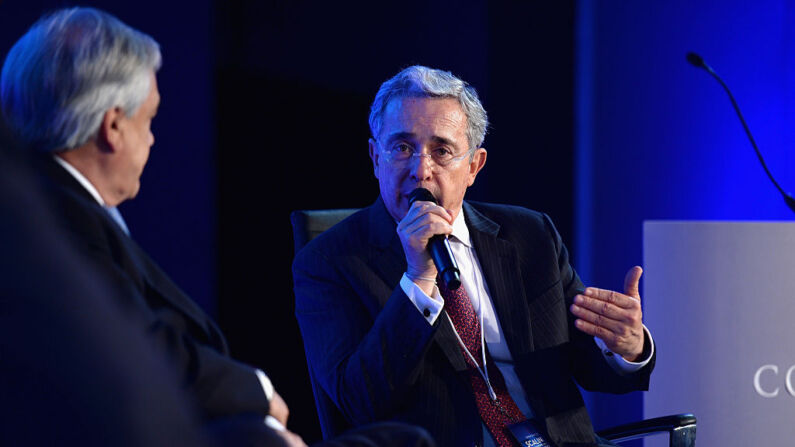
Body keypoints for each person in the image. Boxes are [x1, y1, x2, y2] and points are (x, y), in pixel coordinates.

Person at [1, 8, 434, 447]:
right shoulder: (54, 225)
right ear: (113, 126)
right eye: (148, 120)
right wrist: (258, 399)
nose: (152, 139)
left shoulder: (52, 211)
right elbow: (136, 353)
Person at [293, 66, 655, 447]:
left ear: (473, 166)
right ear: (375, 158)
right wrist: (418, 279)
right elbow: (359, 402)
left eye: (442, 151)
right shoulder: (329, 261)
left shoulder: (531, 235)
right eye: (402, 148)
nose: (420, 170)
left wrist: (626, 347)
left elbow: (587, 366)